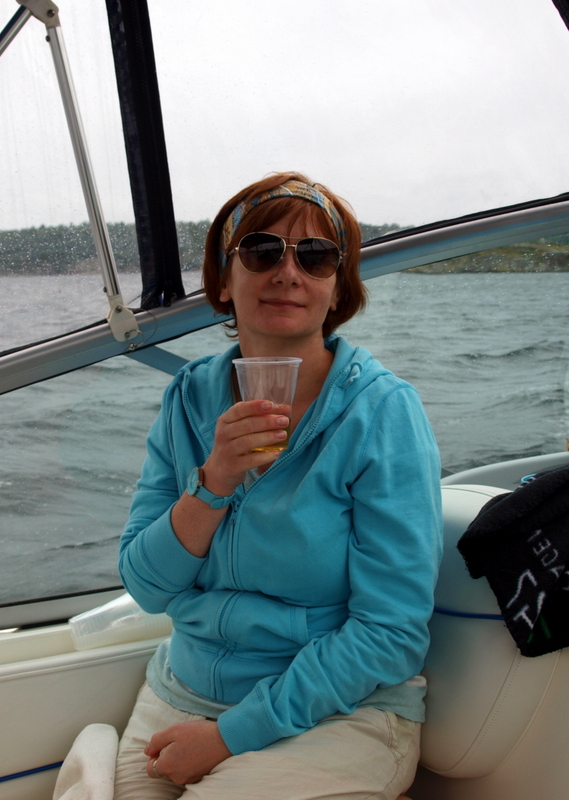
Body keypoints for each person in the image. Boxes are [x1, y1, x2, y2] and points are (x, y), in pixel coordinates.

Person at [114, 172, 442, 800]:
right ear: (224, 279)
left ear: (336, 287)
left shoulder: (382, 413)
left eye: (315, 256)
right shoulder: (187, 399)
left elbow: (392, 633)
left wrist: (231, 735)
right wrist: (212, 483)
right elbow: (147, 587)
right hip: (181, 690)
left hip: (336, 712)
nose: (288, 272)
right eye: (262, 251)